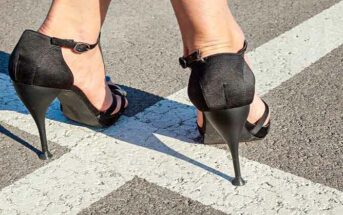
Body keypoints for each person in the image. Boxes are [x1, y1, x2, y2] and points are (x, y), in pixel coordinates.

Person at [8, 0, 270, 186]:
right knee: (215, 49)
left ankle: (62, 38)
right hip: (219, 71)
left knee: (68, 26)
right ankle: (216, 51)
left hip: (42, 52)